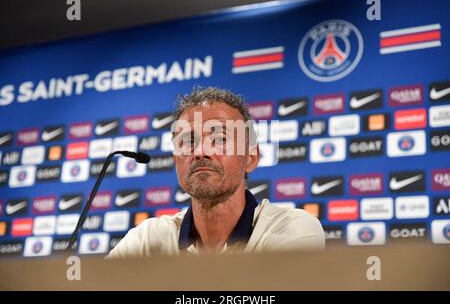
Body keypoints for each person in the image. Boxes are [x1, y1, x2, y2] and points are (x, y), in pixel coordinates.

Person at [106, 87, 324, 258]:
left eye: (220, 139)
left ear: (250, 158)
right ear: (176, 162)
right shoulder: (147, 239)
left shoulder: (292, 229)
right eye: (188, 141)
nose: (201, 151)